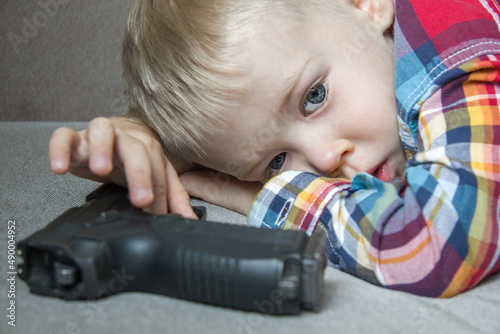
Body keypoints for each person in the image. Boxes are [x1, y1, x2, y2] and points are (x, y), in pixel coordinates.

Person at [48, 0, 500, 297]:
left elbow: (436, 244)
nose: (323, 161)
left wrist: (269, 195)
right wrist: (144, 139)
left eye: (314, 97)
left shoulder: (448, 30)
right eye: (277, 161)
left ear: (366, 5)